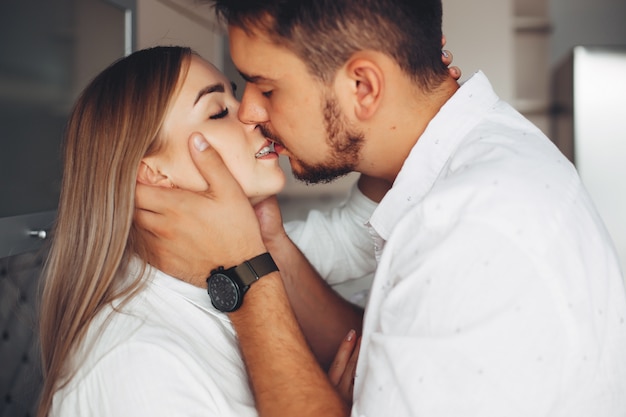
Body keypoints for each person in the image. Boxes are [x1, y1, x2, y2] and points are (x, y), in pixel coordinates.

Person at [134, 1, 626, 416]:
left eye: (266, 87)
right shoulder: (473, 174)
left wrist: (245, 274)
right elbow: (391, 341)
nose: (251, 112)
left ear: (363, 87)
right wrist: (266, 241)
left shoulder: (472, 228)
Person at [37, 45, 390, 417]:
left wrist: (398, 104)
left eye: (234, 96)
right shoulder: (137, 366)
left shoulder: (249, 248)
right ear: (154, 174)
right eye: (219, 112)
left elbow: (358, 236)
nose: (256, 115)